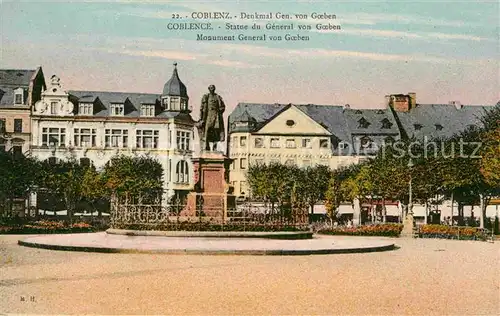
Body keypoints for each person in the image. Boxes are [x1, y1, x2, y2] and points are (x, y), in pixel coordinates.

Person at [197, 85, 226, 151]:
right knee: (206, 131)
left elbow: (223, 106)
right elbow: (202, 108)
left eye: (213, 88)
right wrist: (201, 118)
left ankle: (214, 148)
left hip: (216, 116)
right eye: (210, 88)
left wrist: (219, 110)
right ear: (209, 89)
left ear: (214, 89)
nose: (212, 89)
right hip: (208, 116)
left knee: (216, 132)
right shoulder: (206, 97)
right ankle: (207, 147)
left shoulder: (217, 97)